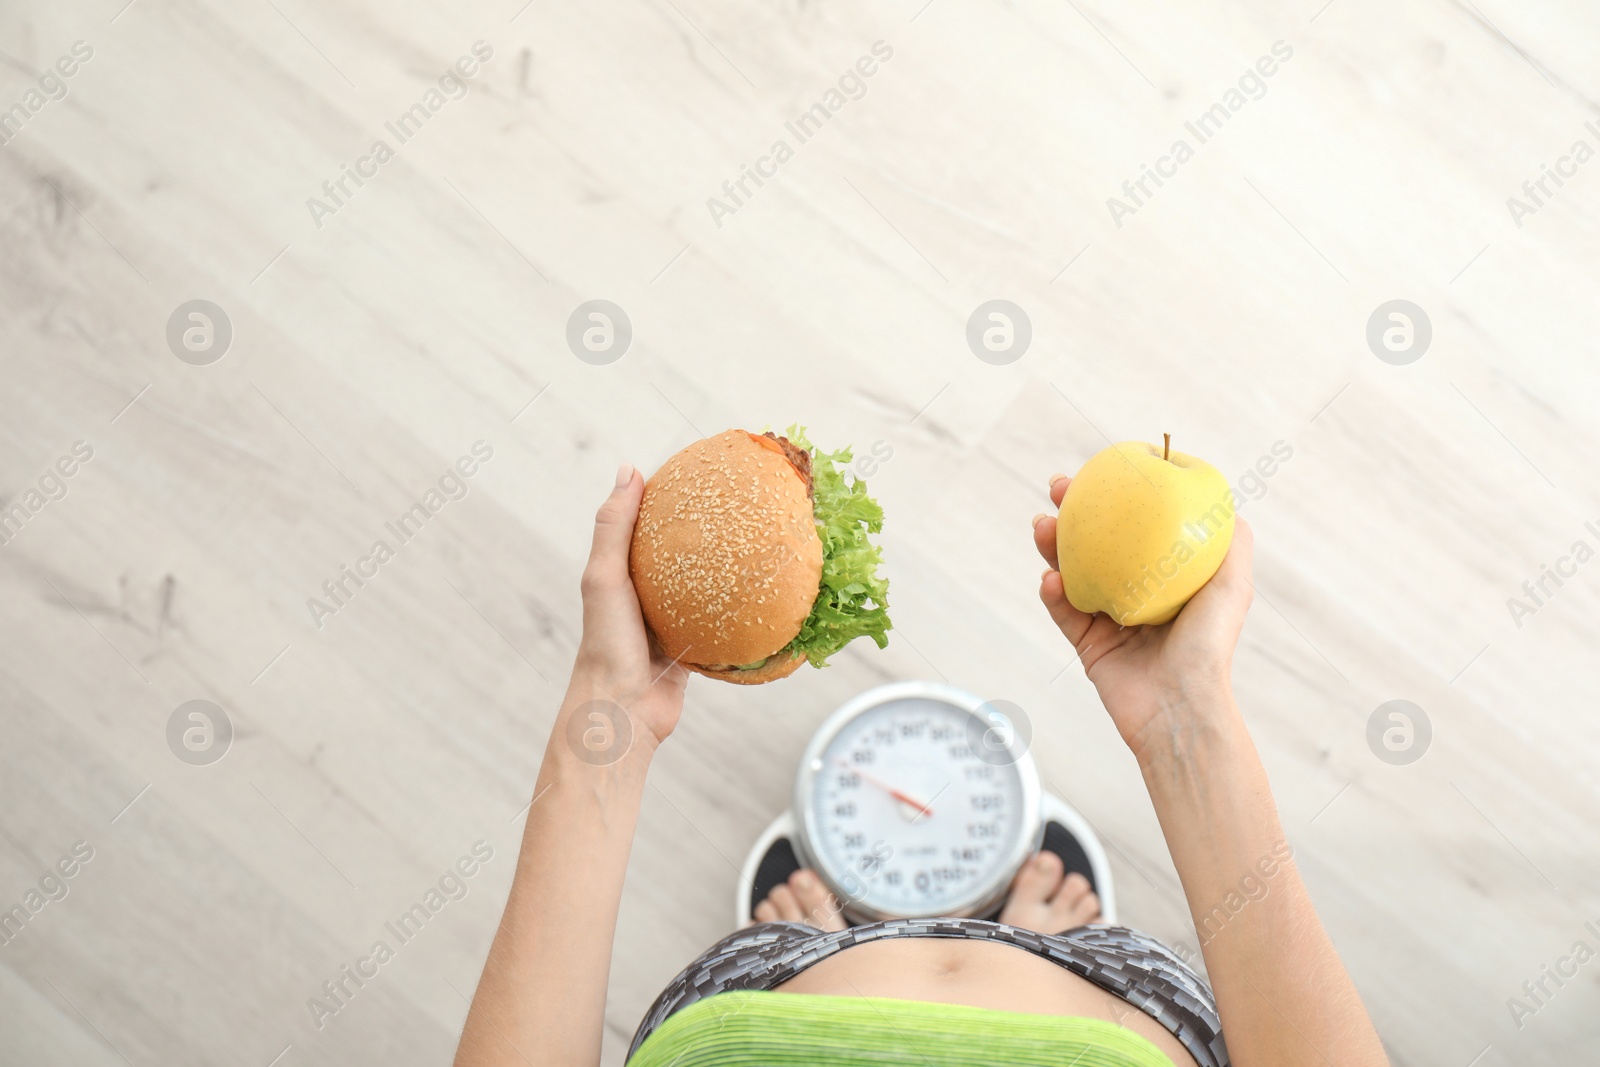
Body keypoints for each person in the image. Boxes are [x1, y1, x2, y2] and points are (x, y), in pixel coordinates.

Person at [454, 465, 1390, 1067]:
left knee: (787, 946)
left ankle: (809, 949)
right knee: (1072, 948)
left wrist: (605, 722)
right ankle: (1054, 947)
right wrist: (1189, 725)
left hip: (752, 1003)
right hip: (1124, 1012)